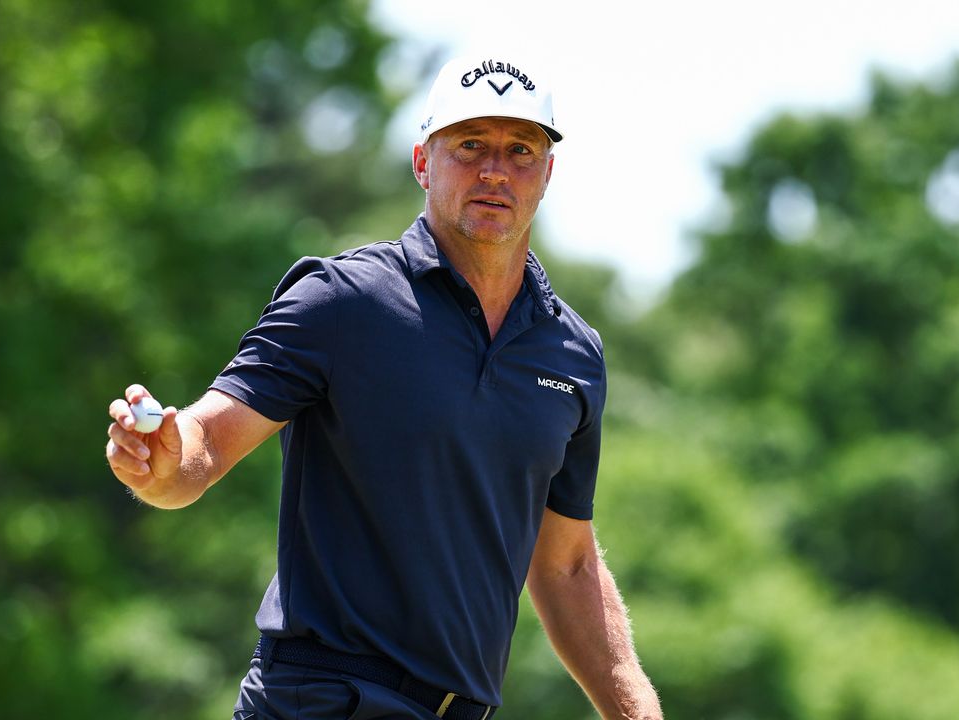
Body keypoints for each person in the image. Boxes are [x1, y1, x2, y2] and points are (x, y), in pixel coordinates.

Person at [105, 54, 662, 720]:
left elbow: (567, 567)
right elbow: (202, 447)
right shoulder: (343, 301)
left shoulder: (572, 354)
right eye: (470, 145)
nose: (494, 169)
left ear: (547, 173)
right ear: (424, 161)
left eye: (520, 150)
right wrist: (158, 465)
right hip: (323, 701)